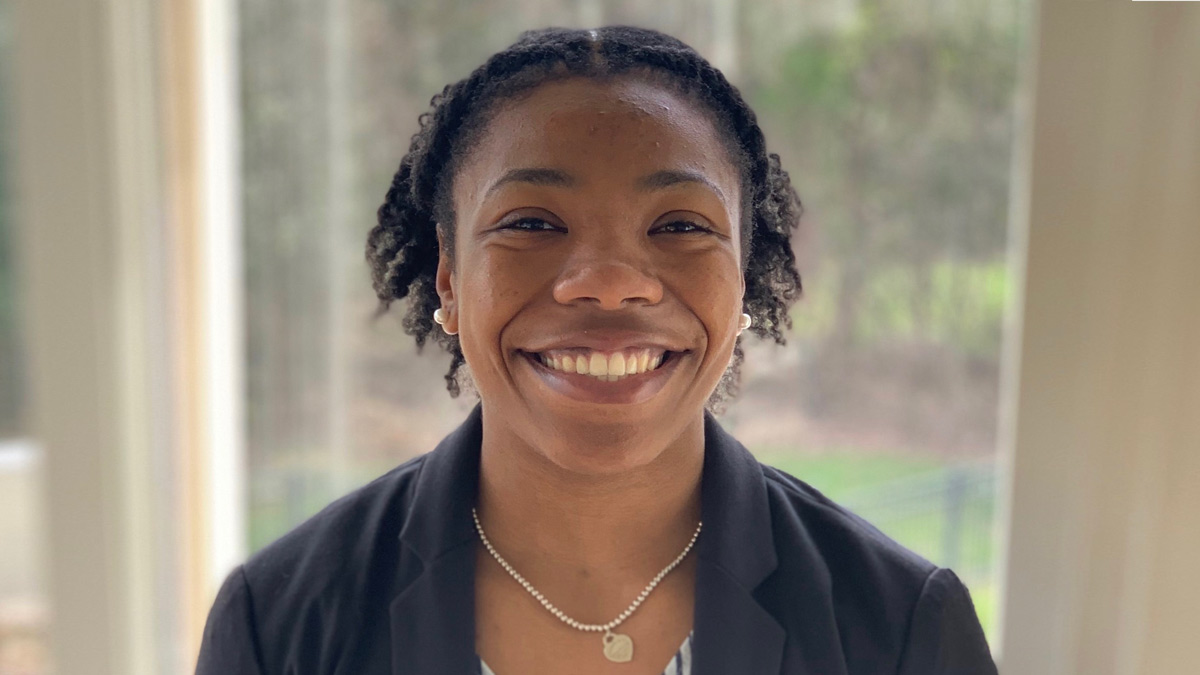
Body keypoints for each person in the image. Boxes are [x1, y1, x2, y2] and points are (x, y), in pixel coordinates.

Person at [196, 25, 997, 675]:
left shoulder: (901, 630)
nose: (610, 283)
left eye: (680, 226)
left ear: (744, 277)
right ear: (448, 275)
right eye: (533, 224)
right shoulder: (280, 628)